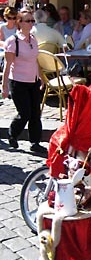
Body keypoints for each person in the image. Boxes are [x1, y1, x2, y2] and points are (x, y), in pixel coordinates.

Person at [1, 10, 47, 154]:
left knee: (35, 114)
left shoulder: (33, 39)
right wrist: (4, 87)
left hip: (32, 81)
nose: (31, 23)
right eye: (28, 21)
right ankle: (12, 134)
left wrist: (41, 77)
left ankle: (35, 142)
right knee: (24, 113)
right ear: (20, 23)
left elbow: (35, 61)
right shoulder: (12, 42)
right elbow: (8, 66)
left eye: (32, 21)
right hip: (18, 82)